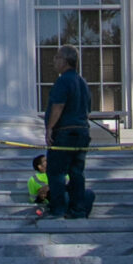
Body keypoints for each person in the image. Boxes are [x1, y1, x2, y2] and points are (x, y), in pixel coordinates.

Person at [44, 44, 95, 219]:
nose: (54, 61)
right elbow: (88, 110)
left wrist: (50, 128)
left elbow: (58, 106)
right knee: (77, 173)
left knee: (56, 172)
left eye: (57, 57)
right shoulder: (83, 82)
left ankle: (58, 209)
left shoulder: (63, 81)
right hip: (82, 133)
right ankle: (78, 210)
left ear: (65, 61)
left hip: (65, 133)